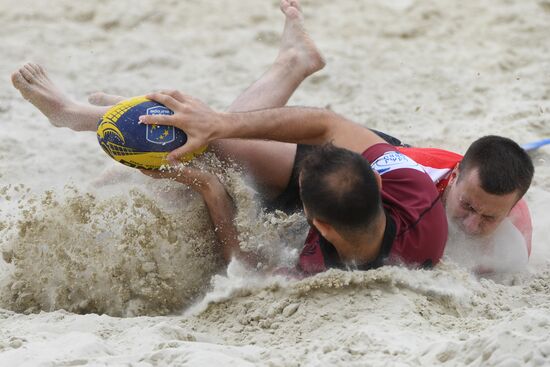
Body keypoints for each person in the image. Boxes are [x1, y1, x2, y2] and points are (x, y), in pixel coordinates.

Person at [11, 0, 448, 276]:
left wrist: (211, 189)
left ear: (317, 226)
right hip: (343, 163)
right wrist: (218, 124)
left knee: (191, 172)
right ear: (380, 184)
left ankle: (291, 64)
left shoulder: (317, 268)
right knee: (215, 142)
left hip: (326, 186)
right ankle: (83, 116)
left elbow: (247, 271)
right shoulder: (415, 195)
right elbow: (326, 124)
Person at [397, 139, 534, 274]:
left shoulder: (518, 226)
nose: (471, 226)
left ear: (511, 209)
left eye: (489, 217)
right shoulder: (410, 180)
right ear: (454, 177)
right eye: (467, 206)